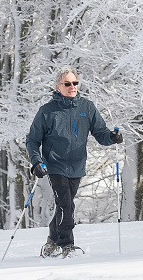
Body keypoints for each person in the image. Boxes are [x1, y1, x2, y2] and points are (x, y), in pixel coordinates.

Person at [26, 66, 123, 258]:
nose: (72, 87)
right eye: (67, 83)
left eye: (75, 83)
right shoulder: (47, 111)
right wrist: (36, 162)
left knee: (66, 205)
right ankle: (67, 245)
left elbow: (100, 132)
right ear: (58, 86)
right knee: (66, 206)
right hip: (55, 165)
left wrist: (112, 137)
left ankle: (52, 242)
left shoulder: (86, 107)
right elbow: (32, 140)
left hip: (77, 166)